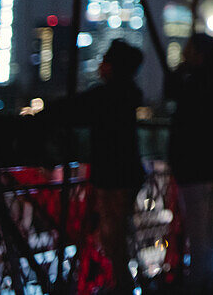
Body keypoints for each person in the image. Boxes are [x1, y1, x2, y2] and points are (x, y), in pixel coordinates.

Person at [51, 39, 146, 295]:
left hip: (113, 173)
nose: (101, 66)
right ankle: (125, 282)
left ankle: (123, 284)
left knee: (113, 234)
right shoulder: (125, 95)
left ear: (113, 67)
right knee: (118, 232)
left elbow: (71, 108)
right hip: (126, 171)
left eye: (105, 61)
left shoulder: (106, 95)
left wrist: (42, 114)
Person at [166, 33, 213, 292]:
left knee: (198, 231)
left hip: (192, 162)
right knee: (210, 226)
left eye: (188, 49)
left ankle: (200, 283)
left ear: (199, 54)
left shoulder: (194, 82)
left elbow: (170, 92)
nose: (184, 53)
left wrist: (181, 69)